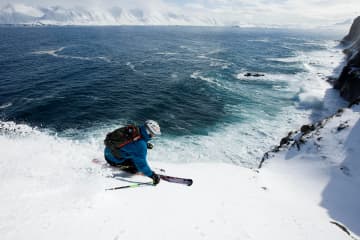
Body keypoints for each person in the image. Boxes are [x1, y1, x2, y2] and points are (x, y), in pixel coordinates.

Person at [104, 120, 161, 185]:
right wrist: (152, 176)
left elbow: (130, 143)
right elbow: (142, 165)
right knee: (136, 168)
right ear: (148, 132)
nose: (153, 136)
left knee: (135, 155)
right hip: (112, 159)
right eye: (153, 134)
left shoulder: (134, 130)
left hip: (109, 150)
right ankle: (119, 165)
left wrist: (145, 144)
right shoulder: (140, 146)